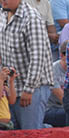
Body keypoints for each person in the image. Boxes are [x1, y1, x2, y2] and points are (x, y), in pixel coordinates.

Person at [0, 0, 54, 130]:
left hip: (32, 88)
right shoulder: (2, 14)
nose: (2, 0)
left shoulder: (31, 18)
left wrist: (29, 89)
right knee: (13, 135)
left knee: (30, 133)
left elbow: (37, 57)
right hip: (10, 87)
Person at [44, 42, 69, 128]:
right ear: (62, 55)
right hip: (50, 109)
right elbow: (62, 98)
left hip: (64, 108)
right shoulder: (52, 70)